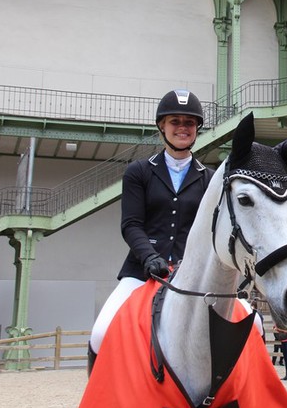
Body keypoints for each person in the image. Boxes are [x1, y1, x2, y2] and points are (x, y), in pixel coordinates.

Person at [87, 90, 214, 375]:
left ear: (197, 129)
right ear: (162, 126)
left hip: (191, 273)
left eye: (190, 123)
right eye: (175, 121)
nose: (183, 128)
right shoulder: (139, 171)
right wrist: (150, 257)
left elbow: (209, 231)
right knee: (101, 331)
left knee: (251, 325)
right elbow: (131, 224)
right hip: (142, 270)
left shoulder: (209, 177)